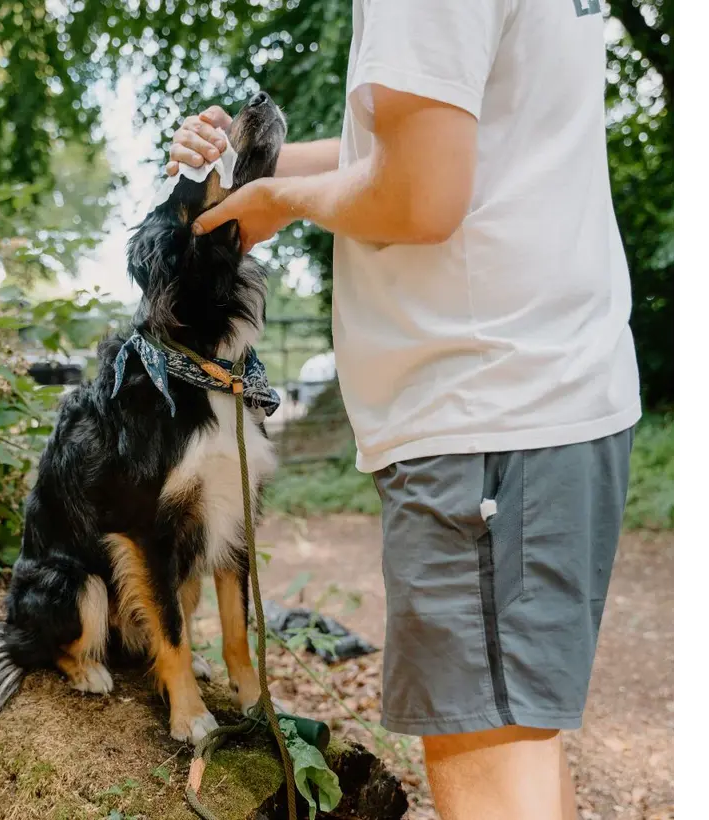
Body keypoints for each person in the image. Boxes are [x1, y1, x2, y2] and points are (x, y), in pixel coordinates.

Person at [166, 1, 641, 818]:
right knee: (515, 739)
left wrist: (289, 200)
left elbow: (421, 195)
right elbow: (427, 142)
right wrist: (255, 179)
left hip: (485, 407)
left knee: (489, 758)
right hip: (531, 391)